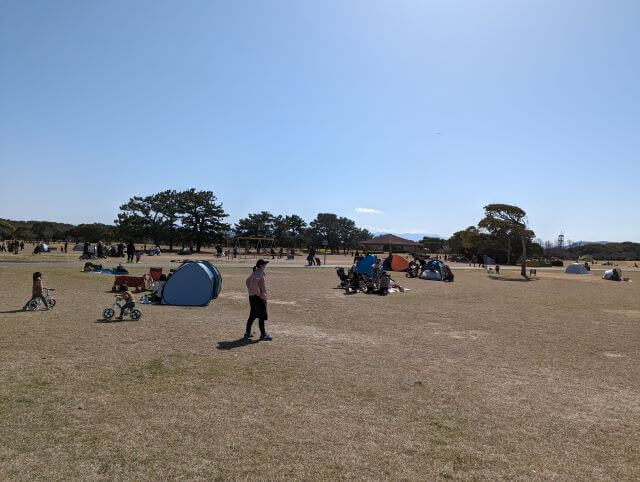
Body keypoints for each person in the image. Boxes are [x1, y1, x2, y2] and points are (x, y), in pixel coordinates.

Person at [244, 259, 272, 341]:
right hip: (258, 298)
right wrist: (259, 294)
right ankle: (263, 335)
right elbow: (253, 283)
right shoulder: (259, 272)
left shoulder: (255, 272)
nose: (265, 265)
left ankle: (247, 332)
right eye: (264, 264)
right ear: (260, 265)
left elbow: (247, 281)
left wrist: (251, 291)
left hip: (253, 297)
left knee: (252, 315)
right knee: (262, 316)